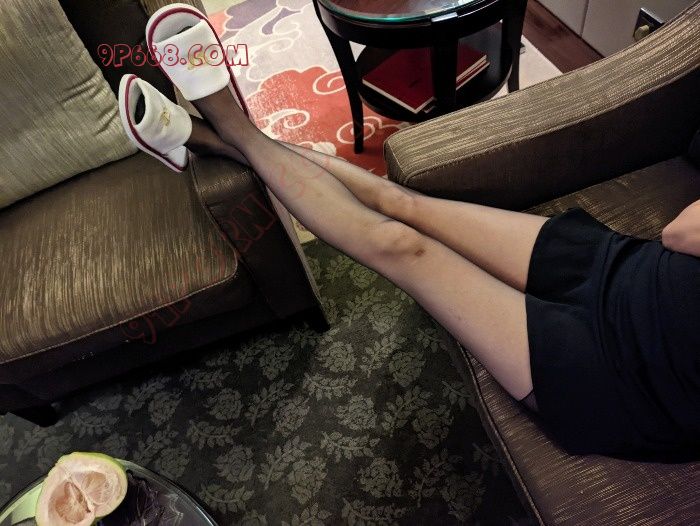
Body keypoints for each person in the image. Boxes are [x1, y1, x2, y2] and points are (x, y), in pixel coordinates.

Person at [119, 3, 699, 459]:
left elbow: (684, 232)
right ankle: (211, 139)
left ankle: (225, 126)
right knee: (400, 202)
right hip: (629, 271)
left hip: (628, 379)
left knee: (401, 243)